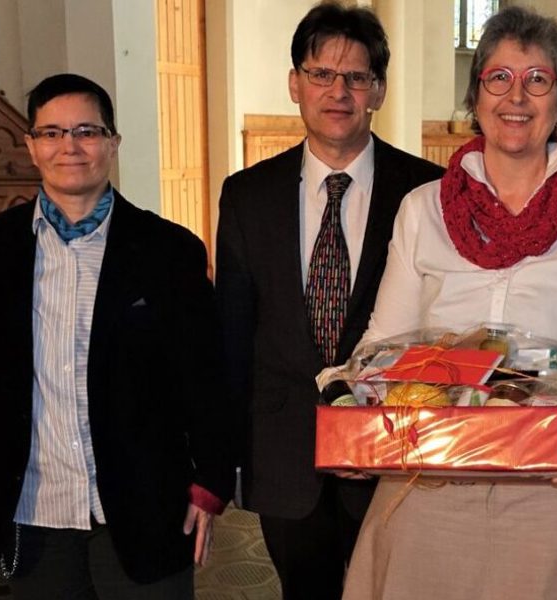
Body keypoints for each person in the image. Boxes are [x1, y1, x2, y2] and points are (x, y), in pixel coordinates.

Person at [334, 6, 557, 599]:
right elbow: (381, 346)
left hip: (555, 488)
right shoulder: (423, 210)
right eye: (499, 77)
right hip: (429, 487)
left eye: (538, 79)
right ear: (476, 95)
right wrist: (355, 404)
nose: (518, 96)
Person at [0, 73, 234, 598]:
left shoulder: (170, 251)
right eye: (51, 133)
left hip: (146, 506)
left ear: (112, 143)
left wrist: (211, 483)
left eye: (87, 131)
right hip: (34, 505)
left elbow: (206, 378)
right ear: (31, 147)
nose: (69, 146)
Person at [213, 3, 444, 599]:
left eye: (356, 78)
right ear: (295, 84)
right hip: (285, 455)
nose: (337, 91)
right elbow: (234, 336)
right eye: (321, 74)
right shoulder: (247, 195)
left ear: (378, 91)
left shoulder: (425, 192)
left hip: (395, 453)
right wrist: (225, 461)